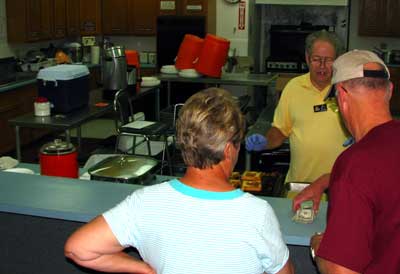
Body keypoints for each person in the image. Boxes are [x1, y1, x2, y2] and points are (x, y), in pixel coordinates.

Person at [64, 88, 294, 274]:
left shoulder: (145, 202)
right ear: (228, 150)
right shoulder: (257, 213)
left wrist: (142, 269)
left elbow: (78, 249)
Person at [310, 50, 400, 274]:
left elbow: (341, 270)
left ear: (342, 96)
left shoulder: (355, 164)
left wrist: (320, 251)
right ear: (389, 90)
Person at [246, 30, 349, 211]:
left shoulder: (347, 88)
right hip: (300, 187)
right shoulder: (293, 88)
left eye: (329, 60)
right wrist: (263, 142)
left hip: (341, 188)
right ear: (307, 58)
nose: (322, 66)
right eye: (317, 59)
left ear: (338, 60)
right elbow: (279, 131)